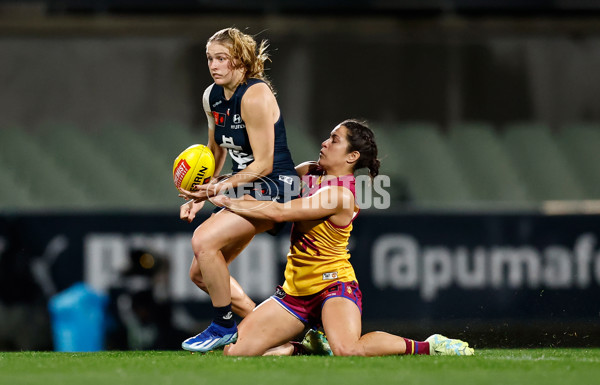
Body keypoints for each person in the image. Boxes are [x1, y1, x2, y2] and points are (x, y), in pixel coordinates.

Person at [210, 119, 475, 356]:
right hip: (295, 292)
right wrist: (222, 185)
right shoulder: (309, 172)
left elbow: (280, 212)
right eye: (328, 137)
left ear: (352, 156)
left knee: (348, 349)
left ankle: (430, 346)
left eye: (335, 140)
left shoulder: (340, 195)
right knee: (236, 353)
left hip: (333, 286)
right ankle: (302, 348)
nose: (325, 142)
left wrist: (226, 199)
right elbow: (267, 186)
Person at [177, 27, 299, 352]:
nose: (214, 65)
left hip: (276, 187)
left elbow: (264, 164)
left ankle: (223, 325)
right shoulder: (212, 96)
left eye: (221, 58)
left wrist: (219, 187)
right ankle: (284, 341)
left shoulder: (256, 95)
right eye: (209, 59)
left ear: (241, 61)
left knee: (203, 241)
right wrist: (200, 194)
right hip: (244, 186)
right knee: (201, 274)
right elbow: (214, 149)